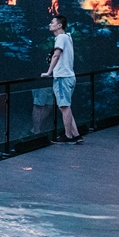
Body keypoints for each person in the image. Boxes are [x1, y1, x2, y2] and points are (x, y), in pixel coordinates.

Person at [41, 14, 81, 144]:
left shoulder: (61, 38)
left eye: (52, 22)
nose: (50, 24)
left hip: (62, 77)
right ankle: (76, 135)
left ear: (59, 25)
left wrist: (48, 72)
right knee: (65, 107)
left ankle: (68, 136)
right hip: (69, 76)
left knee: (64, 107)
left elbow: (56, 55)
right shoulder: (68, 37)